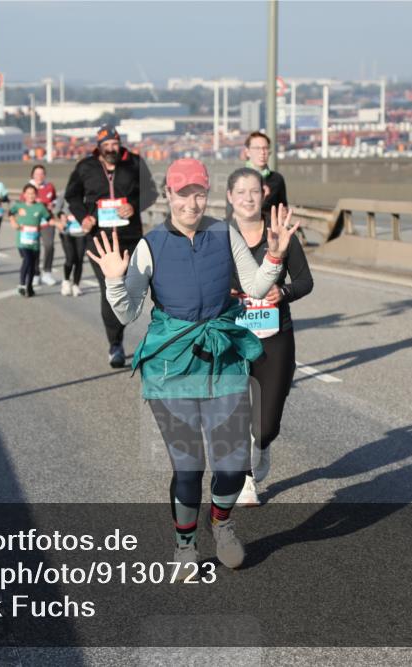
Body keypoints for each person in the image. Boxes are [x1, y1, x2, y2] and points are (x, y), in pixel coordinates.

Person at [87, 158, 300, 568]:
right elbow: (129, 312)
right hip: (171, 366)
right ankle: (185, 547)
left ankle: (221, 523)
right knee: (189, 468)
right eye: (183, 193)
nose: (191, 202)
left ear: (207, 194)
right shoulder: (151, 245)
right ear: (168, 195)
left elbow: (255, 285)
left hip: (223, 359)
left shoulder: (225, 233)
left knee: (233, 466)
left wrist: (274, 257)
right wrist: (116, 279)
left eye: (198, 193)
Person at [225, 167, 313, 507]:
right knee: (235, 412)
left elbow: (305, 282)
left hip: (275, 337)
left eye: (254, 191)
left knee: (266, 425)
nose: (248, 197)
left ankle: (261, 446)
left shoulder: (279, 235)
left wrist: (284, 292)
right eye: (241, 191)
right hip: (233, 336)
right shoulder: (219, 238)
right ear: (230, 197)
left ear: (264, 195)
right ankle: (246, 479)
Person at [65, 125, 159, 367]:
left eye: (114, 144)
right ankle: (115, 344)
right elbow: (71, 196)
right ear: (99, 146)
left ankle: (160, 338)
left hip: (130, 238)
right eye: (106, 145)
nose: (111, 149)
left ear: (119, 144)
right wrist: (83, 217)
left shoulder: (135, 163)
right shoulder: (85, 167)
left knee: (141, 289)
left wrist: (134, 205)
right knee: (111, 291)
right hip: (100, 240)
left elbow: (151, 192)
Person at [9, 183, 51, 297]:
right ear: (24, 195)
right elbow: (10, 213)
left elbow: (49, 218)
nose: (31, 195)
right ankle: (22, 285)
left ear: (36, 195)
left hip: (34, 243)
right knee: (27, 259)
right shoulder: (19, 205)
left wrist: (59, 224)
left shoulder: (40, 207)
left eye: (33, 193)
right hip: (22, 242)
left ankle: (30, 286)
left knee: (32, 265)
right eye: (28, 193)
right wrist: (13, 221)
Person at [24, 164, 58, 286]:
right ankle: (35, 274)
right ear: (32, 175)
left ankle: (47, 273)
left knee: (49, 245)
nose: (39, 176)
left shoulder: (49, 186)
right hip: (32, 223)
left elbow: (55, 199)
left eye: (42, 174)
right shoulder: (29, 188)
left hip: (47, 221)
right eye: (37, 174)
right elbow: (22, 204)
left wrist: (52, 205)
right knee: (34, 248)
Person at [56, 208, 87, 297]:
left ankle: (76, 285)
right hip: (67, 233)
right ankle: (66, 281)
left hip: (81, 233)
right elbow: (55, 211)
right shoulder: (63, 195)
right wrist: (61, 215)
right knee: (70, 259)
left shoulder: (86, 195)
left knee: (79, 260)